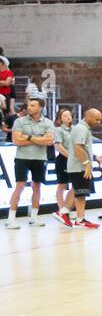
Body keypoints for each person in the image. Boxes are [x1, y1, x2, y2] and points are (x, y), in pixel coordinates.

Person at [6, 95, 55, 228]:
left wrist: (27, 136)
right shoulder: (19, 121)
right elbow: (16, 140)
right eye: (28, 105)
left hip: (40, 158)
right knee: (20, 186)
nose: (29, 107)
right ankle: (11, 218)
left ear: (40, 108)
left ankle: (34, 217)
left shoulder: (48, 123)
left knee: (37, 187)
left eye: (32, 105)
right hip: (22, 158)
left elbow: (49, 141)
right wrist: (39, 138)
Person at [57, 109, 101, 229]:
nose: (99, 122)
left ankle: (79, 219)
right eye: (97, 119)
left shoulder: (82, 128)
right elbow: (78, 148)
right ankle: (63, 212)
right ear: (88, 117)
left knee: (80, 193)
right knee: (80, 193)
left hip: (79, 166)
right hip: (79, 166)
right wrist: (86, 163)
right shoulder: (81, 128)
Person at [52, 108, 75, 212]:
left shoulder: (75, 129)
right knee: (62, 184)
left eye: (69, 115)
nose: (68, 117)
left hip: (75, 160)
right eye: (65, 115)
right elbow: (58, 146)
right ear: (59, 119)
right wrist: (69, 156)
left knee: (76, 184)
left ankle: (67, 207)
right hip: (63, 159)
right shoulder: (58, 130)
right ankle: (61, 208)